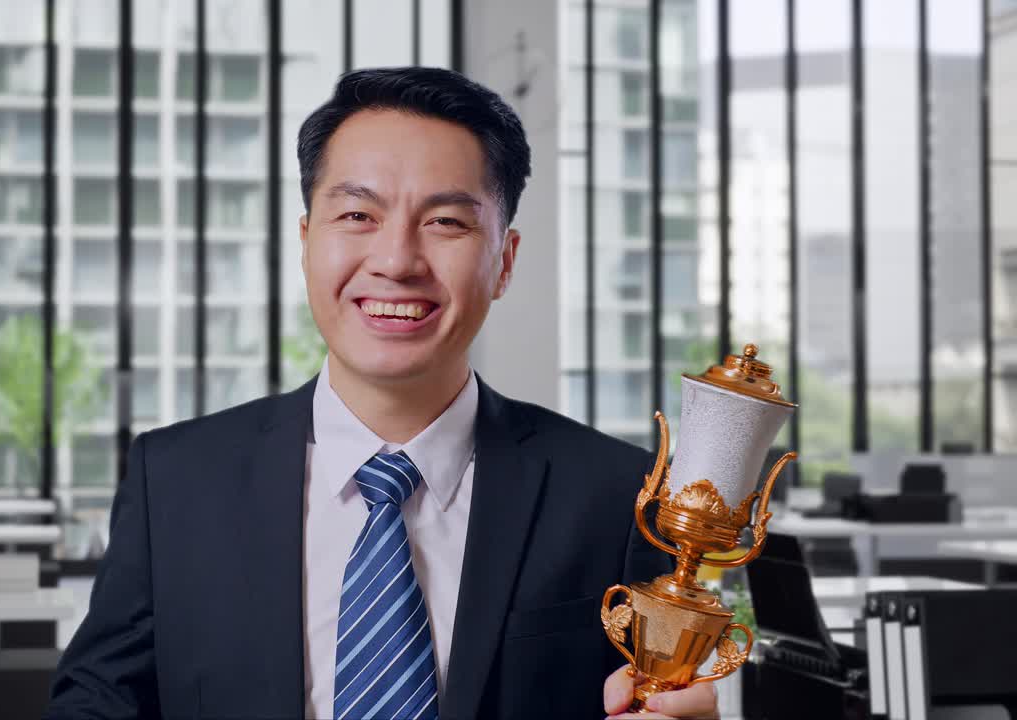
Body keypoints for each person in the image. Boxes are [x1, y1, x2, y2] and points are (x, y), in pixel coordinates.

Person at [45, 67, 718, 720]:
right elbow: (97, 703)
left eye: (446, 223)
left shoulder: (614, 492)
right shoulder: (177, 480)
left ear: (504, 261)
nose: (396, 261)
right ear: (307, 241)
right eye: (359, 214)